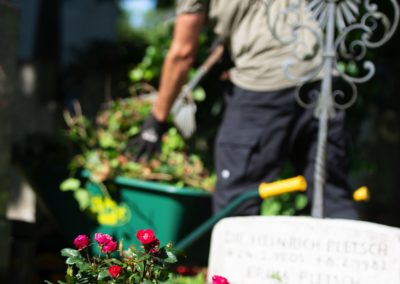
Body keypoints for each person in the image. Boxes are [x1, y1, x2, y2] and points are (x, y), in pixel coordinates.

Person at [130, 0, 359, 219]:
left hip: (265, 80)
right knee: (332, 197)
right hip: (323, 77)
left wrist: (156, 120)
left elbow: (183, 52)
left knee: (236, 204)